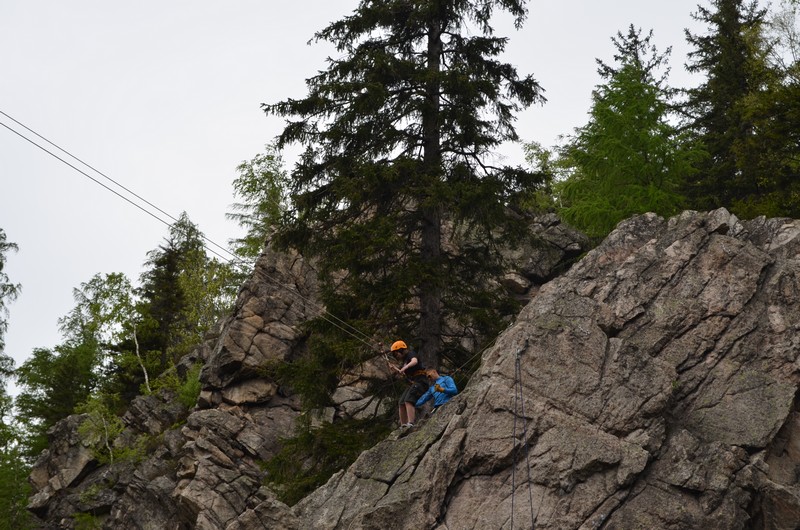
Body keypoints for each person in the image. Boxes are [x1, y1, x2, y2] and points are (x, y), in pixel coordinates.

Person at [389, 340, 428, 428]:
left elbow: (415, 361)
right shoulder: (405, 361)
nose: (396, 356)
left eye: (396, 353)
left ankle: (410, 423)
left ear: (401, 350)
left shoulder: (411, 354)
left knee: (408, 400)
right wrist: (395, 369)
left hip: (421, 381)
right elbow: (402, 373)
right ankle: (403, 425)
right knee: (401, 402)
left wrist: (405, 367)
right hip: (414, 382)